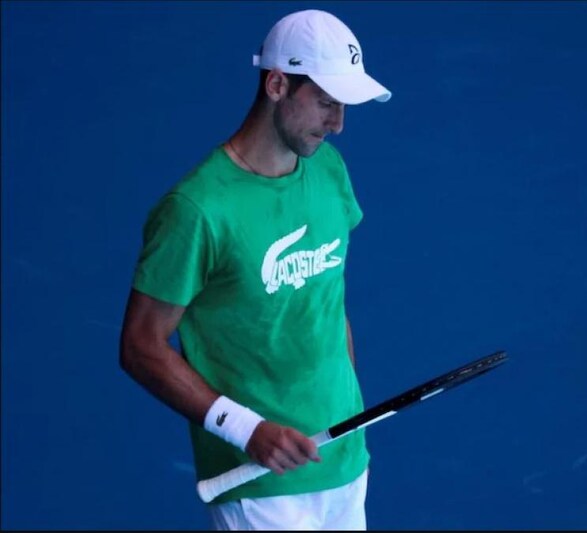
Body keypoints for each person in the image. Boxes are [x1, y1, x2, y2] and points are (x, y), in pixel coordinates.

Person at [119, 8, 390, 530]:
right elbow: (140, 346)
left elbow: (328, 302)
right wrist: (246, 429)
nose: (338, 124)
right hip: (258, 481)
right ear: (276, 84)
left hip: (344, 461)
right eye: (326, 103)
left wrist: (348, 419)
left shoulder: (329, 170)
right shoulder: (196, 210)